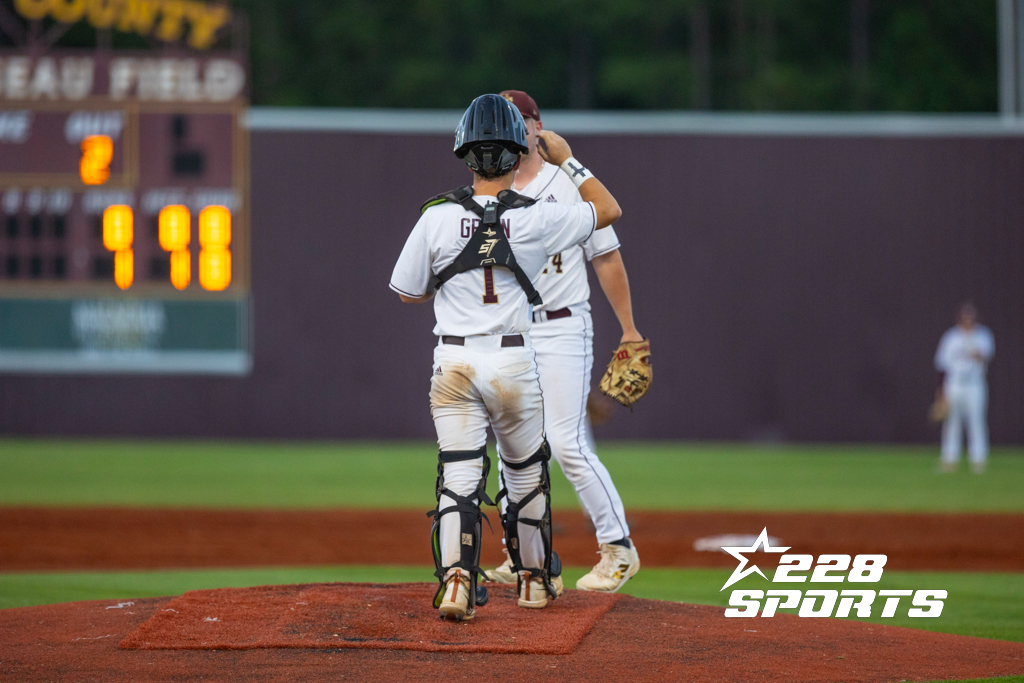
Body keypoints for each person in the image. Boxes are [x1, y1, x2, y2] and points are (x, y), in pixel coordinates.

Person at [389, 93, 623, 620]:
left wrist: (453, 281)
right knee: (525, 474)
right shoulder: (540, 217)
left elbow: (407, 292)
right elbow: (607, 211)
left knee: (459, 474)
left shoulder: (436, 217)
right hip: (515, 362)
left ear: (464, 154)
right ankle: (536, 582)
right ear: (519, 154)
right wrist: (567, 158)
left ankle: (454, 582)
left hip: (453, 364)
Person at [484, 90, 642, 593]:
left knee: (568, 444)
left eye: (521, 120)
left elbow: (607, 257)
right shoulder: (491, 189)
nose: (516, 128)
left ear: (537, 125)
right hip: (513, 330)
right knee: (517, 446)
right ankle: (522, 552)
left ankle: (619, 548)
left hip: (563, 324)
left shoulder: (569, 183)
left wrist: (630, 329)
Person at [934, 302, 994, 474]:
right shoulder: (951, 337)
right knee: (951, 422)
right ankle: (949, 459)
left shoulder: (983, 335)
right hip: (954, 384)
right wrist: (940, 391)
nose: (967, 321)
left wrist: (969, 339)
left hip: (975, 384)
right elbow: (941, 365)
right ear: (959, 318)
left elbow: (983, 356)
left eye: (970, 318)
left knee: (977, 421)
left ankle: (979, 460)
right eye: (965, 317)